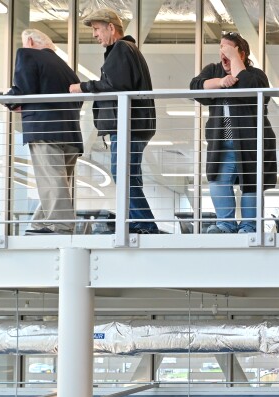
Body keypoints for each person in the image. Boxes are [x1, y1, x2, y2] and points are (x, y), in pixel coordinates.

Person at [69, 8, 159, 234]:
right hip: (133, 124)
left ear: (111, 28)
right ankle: (137, 223)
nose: (94, 35)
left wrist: (84, 87)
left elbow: (116, 85)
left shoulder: (120, 48)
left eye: (97, 29)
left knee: (124, 175)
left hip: (128, 125)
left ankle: (146, 225)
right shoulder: (125, 50)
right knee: (129, 176)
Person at [190, 32, 278, 234]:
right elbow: (195, 86)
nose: (223, 53)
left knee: (251, 184)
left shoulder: (255, 75)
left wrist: (237, 63)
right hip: (222, 142)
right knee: (218, 180)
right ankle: (225, 225)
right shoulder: (214, 70)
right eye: (221, 48)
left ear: (242, 54)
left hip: (250, 142)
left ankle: (249, 226)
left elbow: (253, 90)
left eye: (229, 49)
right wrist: (220, 82)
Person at [6, 29, 82, 235]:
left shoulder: (27, 54)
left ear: (29, 41)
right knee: (56, 182)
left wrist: (9, 100)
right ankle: (40, 224)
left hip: (45, 129)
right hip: (71, 134)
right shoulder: (67, 69)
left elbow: (23, 91)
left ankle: (61, 226)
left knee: (52, 180)